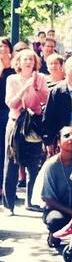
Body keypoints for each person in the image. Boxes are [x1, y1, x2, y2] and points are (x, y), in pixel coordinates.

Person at [3, 48, 49, 213]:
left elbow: (46, 99)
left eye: (31, 59)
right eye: (25, 59)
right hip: (16, 124)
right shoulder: (12, 79)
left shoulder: (41, 78)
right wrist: (24, 88)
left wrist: (36, 87)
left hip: (34, 125)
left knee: (33, 165)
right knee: (12, 164)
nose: (29, 62)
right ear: (19, 62)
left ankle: (32, 201)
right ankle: (8, 205)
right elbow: (11, 103)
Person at [41, 127, 72, 244]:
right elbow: (47, 198)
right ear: (58, 142)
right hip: (59, 209)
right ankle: (54, 233)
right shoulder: (52, 165)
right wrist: (71, 212)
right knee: (55, 220)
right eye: (66, 136)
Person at [0, 38, 15, 204]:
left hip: (8, 113)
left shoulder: (13, 70)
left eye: (5, 46)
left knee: (5, 151)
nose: (2, 49)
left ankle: (4, 188)